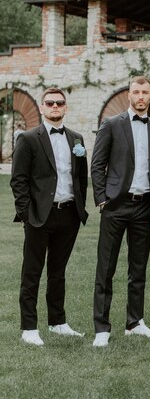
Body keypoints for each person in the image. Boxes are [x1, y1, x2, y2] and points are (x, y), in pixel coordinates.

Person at [91, 76, 150, 347]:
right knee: (106, 268)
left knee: (138, 268)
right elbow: (97, 163)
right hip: (115, 206)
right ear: (129, 95)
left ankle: (135, 323)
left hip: (144, 207)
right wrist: (102, 199)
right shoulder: (111, 124)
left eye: (145, 92)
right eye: (136, 92)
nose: (140, 96)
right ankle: (102, 327)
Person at [10, 87, 88, 346]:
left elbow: (80, 178)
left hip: (68, 215)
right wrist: (26, 213)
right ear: (42, 107)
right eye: (50, 103)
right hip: (39, 217)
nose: (55, 107)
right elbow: (18, 180)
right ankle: (29, 327)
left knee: (58, 271)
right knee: (32, 272)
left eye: (60, 103)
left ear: (65, 107)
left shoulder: (77, 139)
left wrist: (80, 207)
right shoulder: (29, 138)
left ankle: (58, 322)